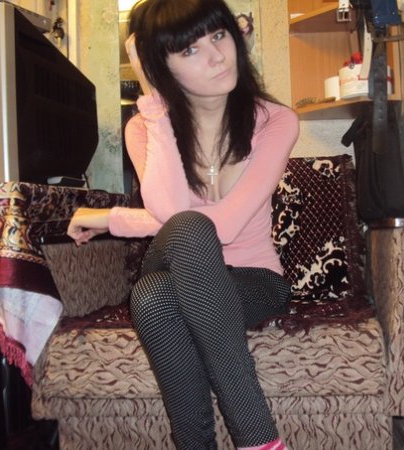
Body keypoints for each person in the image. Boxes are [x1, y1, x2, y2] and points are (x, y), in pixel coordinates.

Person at [67, 0, 299, 449]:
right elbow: (172, 211)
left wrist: (112, 218)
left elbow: (226, 228)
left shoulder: (276, 121)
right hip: (175, 258)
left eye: (218, 35)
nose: (217, 56)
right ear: (160, 66)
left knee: (153, 297)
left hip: (255, 279)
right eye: (189, 50)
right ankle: (260, 440)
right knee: (188, 230)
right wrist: (155, 107)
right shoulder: (144, 128)